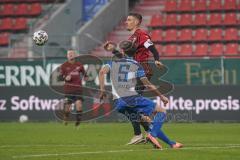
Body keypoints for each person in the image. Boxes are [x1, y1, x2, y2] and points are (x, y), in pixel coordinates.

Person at [99, 40, 182, 149]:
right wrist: (161, 96)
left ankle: (171, 143)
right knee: (162, 111)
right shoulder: (136, 65)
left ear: (123, 52)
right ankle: (152, 135)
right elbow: (148, 85)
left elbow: (101, 73)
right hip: (131, 98)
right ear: (135, 53)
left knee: (147, 122)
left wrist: (102, 91)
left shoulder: (113, 63)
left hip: (119, 103)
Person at [104, 12, 166, 145]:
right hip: (133, 71)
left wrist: (156, 60)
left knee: (130, 104)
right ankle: (150, 134)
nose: (126, 22)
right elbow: (125, 58)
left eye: (129, 20)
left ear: (137, 22)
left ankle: (140, 134)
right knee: (133, 107)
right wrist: (113, 50)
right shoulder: (132, 37)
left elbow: (152, 47)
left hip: (141, 70)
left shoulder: (141, 35)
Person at [59, 50, 88, 126]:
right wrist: (65, 78)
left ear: (75, 55)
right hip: (68, 90)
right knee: (67, 108)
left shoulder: (79, 65)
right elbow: (59, 78)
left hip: (78, 89)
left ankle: (78, 122)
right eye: (69, 54)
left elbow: (85, 75)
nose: (71, 55)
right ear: (67, 56)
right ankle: (65, 118)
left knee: (79, 104)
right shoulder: (64, 66)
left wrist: (86, 77)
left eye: (72, 54)